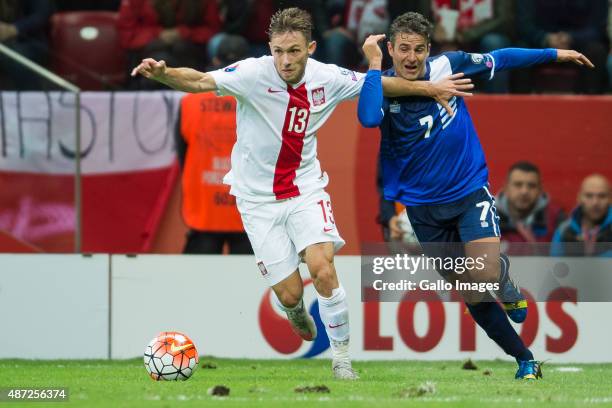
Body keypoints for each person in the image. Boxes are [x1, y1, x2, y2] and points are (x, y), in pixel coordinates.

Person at [132, 7, 472, 379]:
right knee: (291, 294)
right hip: (256, 200)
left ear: (310, 47)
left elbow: (378, 84)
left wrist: (429, 87)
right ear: (269, 48)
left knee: (322, 268)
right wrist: (165, 74)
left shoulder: (327, 77)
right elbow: (199, 82)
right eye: (278, 51)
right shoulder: (251, 74)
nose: (285, 60)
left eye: (294, 51)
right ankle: (294, 311)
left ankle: (342, 361)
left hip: (304, 189)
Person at [357, 12, 593, 379]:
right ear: (390, 49)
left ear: (429, 50)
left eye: (418, 49)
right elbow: (369, 118)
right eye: (402, 48)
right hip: (422, 208)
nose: (410, 57)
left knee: (482, 273)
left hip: (468, 190)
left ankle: (502, 277)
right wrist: (373, 65)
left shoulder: (448, 66)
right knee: (472, 294)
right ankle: (525, 359)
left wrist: (552, 55)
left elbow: (503, 58)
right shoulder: (381, 85)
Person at [176, 35, 253, 255]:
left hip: (204, 210)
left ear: (216, 61)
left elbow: (182, 153)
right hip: (247, 210)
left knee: (197, 286)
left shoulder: (189, 101)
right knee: (252, 285)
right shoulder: (258, 100)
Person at [118, 0, 222, 89]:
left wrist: (184, 33)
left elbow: (213, 30)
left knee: (181, 49)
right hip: (151, 51)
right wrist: (158, 34)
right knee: (158, 55)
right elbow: (127, 35)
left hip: (190, 53)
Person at [496, 161, 565, 254]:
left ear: (540, 189)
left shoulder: (556, 218)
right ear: (506, 187)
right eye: (518, 184)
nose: (524, 191)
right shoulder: (486, 218)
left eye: (531, 186)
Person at [552, 174, 611, 256]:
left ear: (610, 199)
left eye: (602, 196)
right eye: (589, 196)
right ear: (579, 198)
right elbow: (555, 265)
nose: (595, 202)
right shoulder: (564, 230)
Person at [0, 0, 53, 90]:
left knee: (14, 56)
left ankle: (33, 99)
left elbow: (41, 15)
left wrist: (14, 29)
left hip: (28, 42)